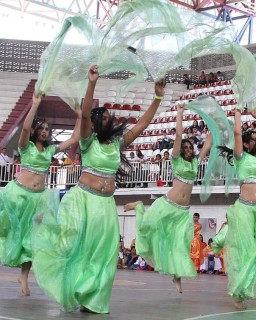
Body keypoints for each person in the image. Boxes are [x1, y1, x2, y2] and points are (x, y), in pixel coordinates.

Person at [31, 65, 164, 313]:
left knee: (105, 252)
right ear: (93, 124)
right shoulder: (87, 140)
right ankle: (78, 288)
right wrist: (91, 83)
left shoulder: (117, 143)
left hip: (105, 203)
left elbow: (143, 124)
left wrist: (157, 97)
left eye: (108, 118)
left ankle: (94, 299)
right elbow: (84, 114)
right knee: (81, 246)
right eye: (102, 118)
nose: (108, 119)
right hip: (84, 200)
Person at [124, 105, 211, 293]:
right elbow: (179, 136)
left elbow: (209, 143)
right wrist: (180, 114)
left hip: (182, 213)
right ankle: (139, 206)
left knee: (179, 245)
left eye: (190, 147)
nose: (187, 148)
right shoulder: (176, 160)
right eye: (185, 147)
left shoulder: (195, 162)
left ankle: (177, 276)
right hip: (167, 205)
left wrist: (212, 122)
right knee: (147, 227)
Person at [0, 94, 81, 296]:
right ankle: (20, 272)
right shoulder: (25, 147)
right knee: (14, 234)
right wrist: (35, 104)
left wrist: (80, 116)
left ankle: (24, 277)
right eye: (42, 128)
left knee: (32, 239)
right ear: (36, 130)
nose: (45, 132)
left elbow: (74, 138)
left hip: (40, 199)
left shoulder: (49, 150)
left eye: (47, 129)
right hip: (20, 196)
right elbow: (25, 128)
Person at [217, 108, 256, 310]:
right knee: (248, 250)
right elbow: (236, 134)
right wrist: (237, 114)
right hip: (244, 209)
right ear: (245, 142)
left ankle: (249, 284)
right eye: (252, 138)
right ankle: (238, 292)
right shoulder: (241, 158)